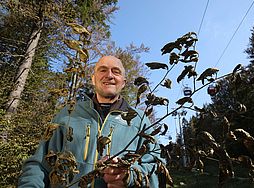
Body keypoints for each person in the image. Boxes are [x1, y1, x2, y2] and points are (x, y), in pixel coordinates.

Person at [18, 56, 164, 187]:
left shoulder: (139, 120)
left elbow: (156, 166)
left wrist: (129, 176)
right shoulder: (68, 113)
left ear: (124, 82)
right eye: (103, 70)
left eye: (116, 71)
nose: (109, 75)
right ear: (93, 79)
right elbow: (40, 163)